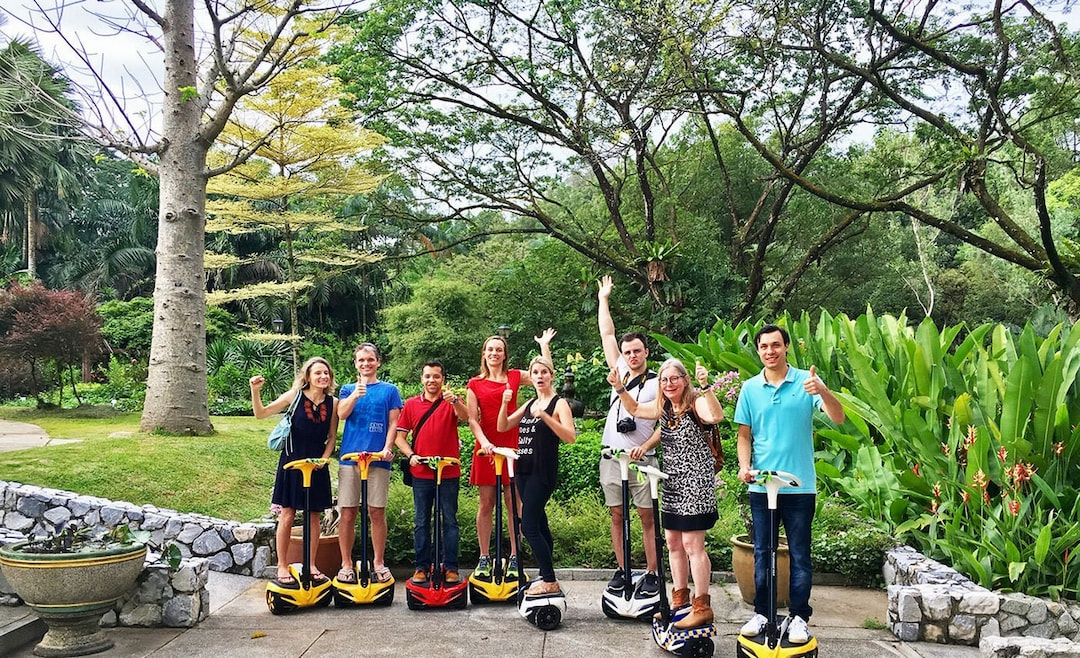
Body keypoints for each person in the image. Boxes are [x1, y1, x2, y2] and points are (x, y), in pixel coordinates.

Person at [735, 324, 845, 644]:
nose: (770, 351)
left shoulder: (806, 383)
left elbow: (838, 417)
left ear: (786, 347)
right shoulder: (750, 388)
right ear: (758, 351)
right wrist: (745, 466)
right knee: (762, 552)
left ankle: (798, 617)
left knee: (799, 554)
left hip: (799, 487)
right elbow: (744, 435)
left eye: (776, 345)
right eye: (764, 347)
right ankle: (763, 612)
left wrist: (823, 390)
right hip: (762, 487)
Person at [621, 358, 724, 629]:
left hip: (696, 484)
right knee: (673, 543)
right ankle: (680, 602)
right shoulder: (667, 407)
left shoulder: (694, 403)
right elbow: (635, 410)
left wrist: (707, 386)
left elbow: (715, 416)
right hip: (673, 483)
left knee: (693, 545)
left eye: (674, 379)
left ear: (684, 379)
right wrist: (619, 388)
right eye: (664, 380)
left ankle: (702, 606)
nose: (669, 384)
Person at [466, 328, 555, 579]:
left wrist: (544, 346)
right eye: (490, 349)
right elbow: (473, 419)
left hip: (514, 445)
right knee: (486, 504)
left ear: (505, 355)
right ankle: (484, 557)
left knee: (515, 503)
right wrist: (484, 442)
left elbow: (544, 373)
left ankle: (515, 556)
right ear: (484, 354)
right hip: (487, 447)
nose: (494, 353)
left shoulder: (515, 376)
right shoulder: (475, 383)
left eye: (499, 350)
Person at [596, 275, 660, 594]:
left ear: (646, 352)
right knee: (617, 515)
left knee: (648, 518)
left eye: (637, 351)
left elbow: (667, 422)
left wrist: (646, 445)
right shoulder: (618, 369)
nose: (632, 356)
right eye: (628, 352)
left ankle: (652, 572)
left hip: (642, 460)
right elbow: (607, 333)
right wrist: (603, 298)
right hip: (611, 457)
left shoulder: (658, 382)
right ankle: (623, 569)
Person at [250, 357, 338, 585]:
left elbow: (332, 437)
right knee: (287, 514)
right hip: (291, 462)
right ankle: (282, 565)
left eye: (325, 373)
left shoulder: (333, 403)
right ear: (307, 376)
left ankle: (311, 565)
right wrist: (255, 390)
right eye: (317, 373)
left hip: (316, 464)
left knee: (314, 515)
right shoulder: (294, 396)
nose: (322, 377)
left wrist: (324, 459)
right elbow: (261, 413)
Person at [496, 356, 576, 595]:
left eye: (544, 372)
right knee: (539, 524)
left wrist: (546, 417)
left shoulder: (558, 404)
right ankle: (545, 574)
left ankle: (549, 580)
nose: (540, 376)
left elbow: (570, 437)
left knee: (528, 526)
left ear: (552, 376)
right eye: (535, 373)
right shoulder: (530, 402)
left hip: (542, 471)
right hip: (523, 470)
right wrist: (503, 403)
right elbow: (503, 426)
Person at [394, 360, 469, 584]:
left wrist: (455, 400)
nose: (431, 380)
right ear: (422, 379)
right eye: (427, 376)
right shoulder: (411, 404)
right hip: (422, 473)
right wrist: (411, 456)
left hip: (448, 472)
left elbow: (467, 417)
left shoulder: (451, 402)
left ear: (442, 379)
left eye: (436, 376)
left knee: (449, 520)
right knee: (421, 521)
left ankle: (451, 567)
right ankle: (421, 567)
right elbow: (400, 437)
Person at [336, 343, 402, 584]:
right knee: (348, 512)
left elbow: (393, 423)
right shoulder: (347, 389)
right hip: (350, 459)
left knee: (376, 511)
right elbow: (341, 414)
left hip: (377, 459)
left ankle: (378, 562)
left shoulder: (390, 390)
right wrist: (355, 393)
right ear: (355, 363)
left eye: (370, 360)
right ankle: (345, 563)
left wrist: (387, 448)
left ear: (378, 362)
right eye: (361, 360)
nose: (366, 364)